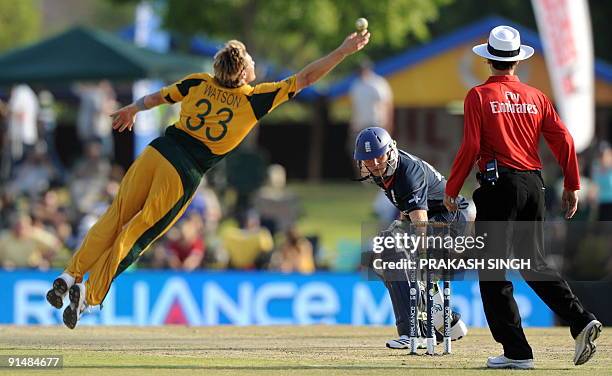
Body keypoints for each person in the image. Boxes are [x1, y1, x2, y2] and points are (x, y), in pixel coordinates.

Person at [46, 30, 370, 329]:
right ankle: (89, 295)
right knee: (138, 232)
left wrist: (132, 109)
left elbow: (160, 97)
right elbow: (306, 77)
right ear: (242, 72)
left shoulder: (199, 82)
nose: (255, 64)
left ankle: (69, 274)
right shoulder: (254, 99)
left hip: (156, 151)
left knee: (114, 217)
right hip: (182, 171)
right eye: (251, 61)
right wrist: (342, 51)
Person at [443, 25, 601, 369]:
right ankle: (580, 319)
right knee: (534, 263)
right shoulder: (536, 97)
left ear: (489, 61)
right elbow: (565, 141)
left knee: (492, 270)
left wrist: (452, 188)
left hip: (499, 187)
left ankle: (516, 351)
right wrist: (572, 184)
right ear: (515, 62)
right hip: (534, 186)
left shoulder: (479, 96)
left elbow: (471, 146)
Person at [353, 126, 469, 349]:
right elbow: (406, 205)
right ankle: (439, 315)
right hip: (435, 216)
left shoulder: (407, 172)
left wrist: (419, 257)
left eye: (378, 156)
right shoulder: (382, 172)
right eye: (368, 160)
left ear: (390, 150)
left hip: (450, 219)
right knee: (379, 258)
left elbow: (421, 221)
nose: (375, 164)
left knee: (392, 248)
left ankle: (412, 331)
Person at [349, 60, 393, 151]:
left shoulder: (378, 83)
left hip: (376, 124)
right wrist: (353, 123)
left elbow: (387, 104)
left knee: (377, 150)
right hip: (360, 125)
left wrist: (388, 124)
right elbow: (355, 106)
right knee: (357, 150)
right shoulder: (356, 84)